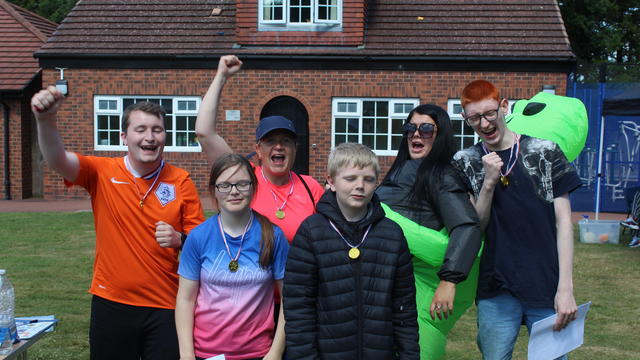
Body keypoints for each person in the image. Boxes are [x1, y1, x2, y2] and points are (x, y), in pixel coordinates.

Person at [31, 87, 205, 360]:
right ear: (124, 137)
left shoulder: (181, 181)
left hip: (166, 305)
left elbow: (202, 245)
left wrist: (179, 239)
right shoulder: (101, 171)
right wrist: (45, 120)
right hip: (111, 302)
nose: (150, 137)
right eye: (141, 129)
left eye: (157, 130)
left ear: (165, 136)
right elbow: (58, 160)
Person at [452, 80, 582, 360]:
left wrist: (566, 289)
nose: (484, 124)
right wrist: (487, 184)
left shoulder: (545, 152)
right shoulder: (466, 161)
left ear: (504, 107)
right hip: (495, 289)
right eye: (474, 118)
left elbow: (563, 224)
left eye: (489, 114)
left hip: (546, 286)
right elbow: (476, 227)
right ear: (465, 119)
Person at [283, 143, 420, 359]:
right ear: (331, 181)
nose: (360, 186)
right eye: (350, 178)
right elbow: (298, 307)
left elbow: (404, 307)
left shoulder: (392, 235)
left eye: (368, 179)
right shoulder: (311, 232)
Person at [375, 104, 482, 359]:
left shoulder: (440, 174)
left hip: (421, 288)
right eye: (410, 128)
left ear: (441, 133)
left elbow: (466, 227)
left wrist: (449, 280)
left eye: (425, 128)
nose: (416, 134)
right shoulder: (401, 170)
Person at [195, 55, 325, 243]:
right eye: (270, 141)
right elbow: (204, 132)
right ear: (258, 149)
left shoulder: (310, 186)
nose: (279, 146)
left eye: (286, 141)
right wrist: (221, 76)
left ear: (295, 148)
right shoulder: (243, 178)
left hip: (295, 272)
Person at [175, 153, 289, 360]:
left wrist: (275, 352)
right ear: (214, 191)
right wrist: (186, 354)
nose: (234, 191)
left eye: (242, 184)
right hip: (206, 353)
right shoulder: (198, 237)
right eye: (225, 185)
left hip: (258, 353)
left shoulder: (273, 236)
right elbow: (185, 299)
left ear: (253, 187)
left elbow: (289, 299)